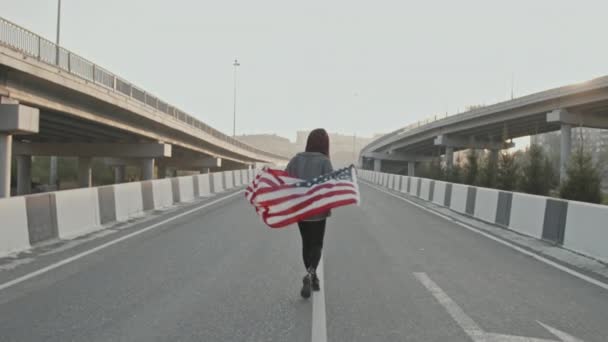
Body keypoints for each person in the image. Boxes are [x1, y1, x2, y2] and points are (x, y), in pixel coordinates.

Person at [285, 128, 333, 299]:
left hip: (301, 209)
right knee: (317, 244)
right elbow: (330, 185)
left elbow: (285, 180)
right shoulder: (324, 161)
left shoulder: (296, 160)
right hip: (319, 210)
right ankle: (311, 274)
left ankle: (311, 276)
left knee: (306, 243)